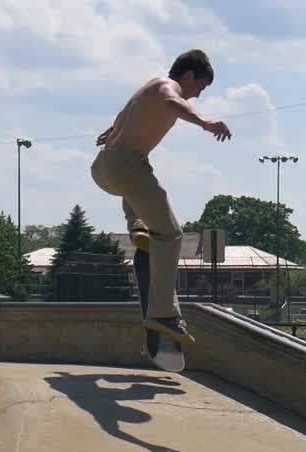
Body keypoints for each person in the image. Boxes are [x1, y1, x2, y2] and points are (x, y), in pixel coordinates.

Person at [91, 49, 232, 345]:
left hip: (104, 167)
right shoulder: (168, 89)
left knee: (139, 184)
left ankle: (139, 227)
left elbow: (122, 117)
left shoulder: (146, 88)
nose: (197, 95)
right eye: (200, 87)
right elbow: (173, 101)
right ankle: (163, 313)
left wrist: (113, 131)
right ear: (190, 75)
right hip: (125, 166)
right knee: (171, 233)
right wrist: (205, 123)